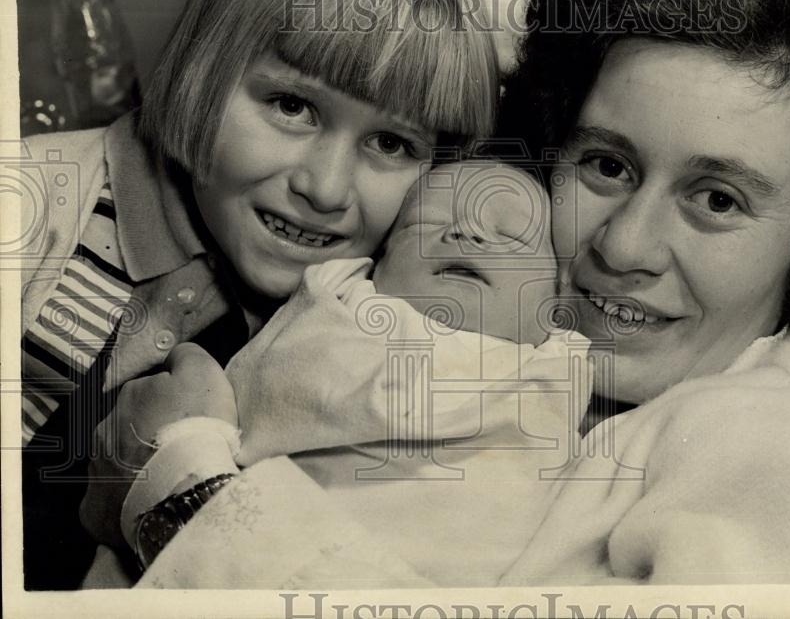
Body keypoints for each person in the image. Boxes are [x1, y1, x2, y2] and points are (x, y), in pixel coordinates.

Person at [81, 0, 790, 586]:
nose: (625, 248)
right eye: (607, 167)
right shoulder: (513, 353)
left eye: (718, 200)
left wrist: (184, 492)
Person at [19, 0, 499, 589]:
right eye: (292, 105)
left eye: (393, 145)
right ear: (203, 68)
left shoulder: (368, 310)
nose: (326, 189)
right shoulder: (40, 203)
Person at [113, 161, 591, 587]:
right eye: (427, 223)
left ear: (555, 304)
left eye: (509, 234)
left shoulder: (546, 375)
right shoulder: (335, 313)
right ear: (374, 270)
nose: (464, 233)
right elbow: (264, 399)